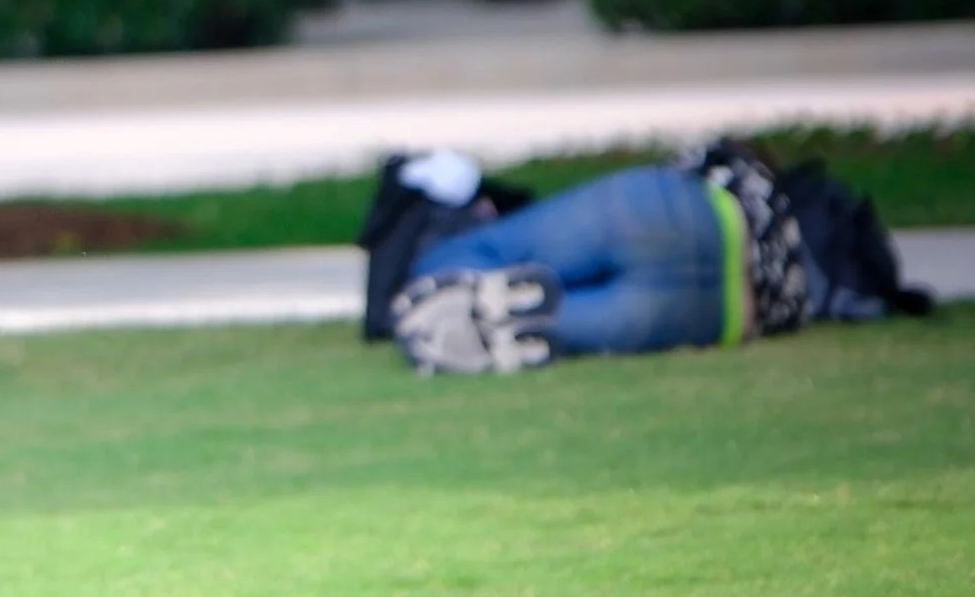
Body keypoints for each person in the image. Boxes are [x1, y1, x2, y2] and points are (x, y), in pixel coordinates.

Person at [377, 140, 932, 374]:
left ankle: (478, 306)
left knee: (443, 266)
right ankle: (497, 322)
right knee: (555, 317)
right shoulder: (820, 269)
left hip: (673, 213)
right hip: (727, 310)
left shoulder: (755, 174)